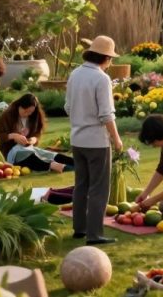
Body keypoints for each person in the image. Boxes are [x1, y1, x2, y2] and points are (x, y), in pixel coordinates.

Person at [65, 35, 123, 246]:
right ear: (105, 58)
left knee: (81, 185)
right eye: (111, 58)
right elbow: (106, 114)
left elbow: (68, 108)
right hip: (96, 141)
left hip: (77, 138)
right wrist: (116, 139)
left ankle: (79, 228)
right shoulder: (101, 78)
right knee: (99, 188)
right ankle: (95, 234)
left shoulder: (75, 74)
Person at [0, 93, 74, 173]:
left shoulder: (34, 116)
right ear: (19, 106)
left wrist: (34, 139)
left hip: (28, 148)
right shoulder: (6, 116)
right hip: (12, 151)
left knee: (49, 154)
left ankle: (76, 163)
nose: (28, 114)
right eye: (26, 111)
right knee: (29, 157)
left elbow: (37, 133)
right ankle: (54, 166)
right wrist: (13, 136)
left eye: (30, 112)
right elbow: (0, 136)